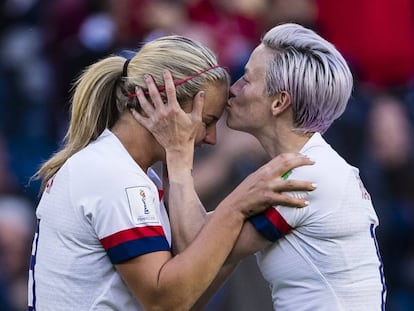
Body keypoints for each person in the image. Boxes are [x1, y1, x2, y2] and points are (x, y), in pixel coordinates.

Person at [27, 35, 316, 310]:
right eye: (208, 120)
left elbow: (190, 294)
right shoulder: (115, 176)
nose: (212, 138)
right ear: (166, 105)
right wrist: (237, 206)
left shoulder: (129, 172)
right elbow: (166, 301)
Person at [132, 23, 387, 310]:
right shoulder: (310, 168)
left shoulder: (305, 179)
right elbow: (210, 240)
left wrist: (178, 154)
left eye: (248, 79)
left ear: (279, 102)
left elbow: (196, 247)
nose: (234, 89)